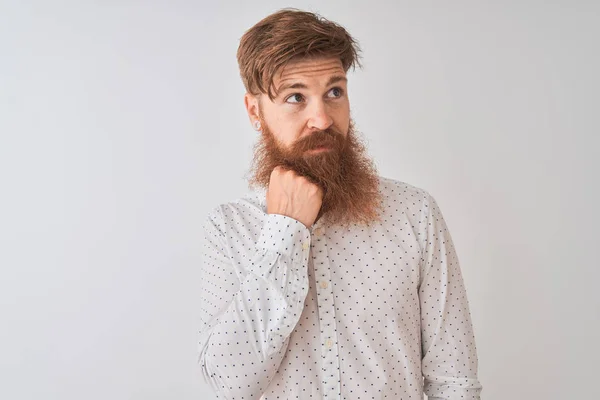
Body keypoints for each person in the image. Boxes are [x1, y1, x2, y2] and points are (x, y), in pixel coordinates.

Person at [197, 8, 483, 400]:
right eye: (295, 97)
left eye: (334, 92)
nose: (322, 118)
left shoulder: (415, 214)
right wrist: (285, 229)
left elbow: (455, 382)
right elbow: (230, 383)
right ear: (255, 111)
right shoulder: (230, 229)